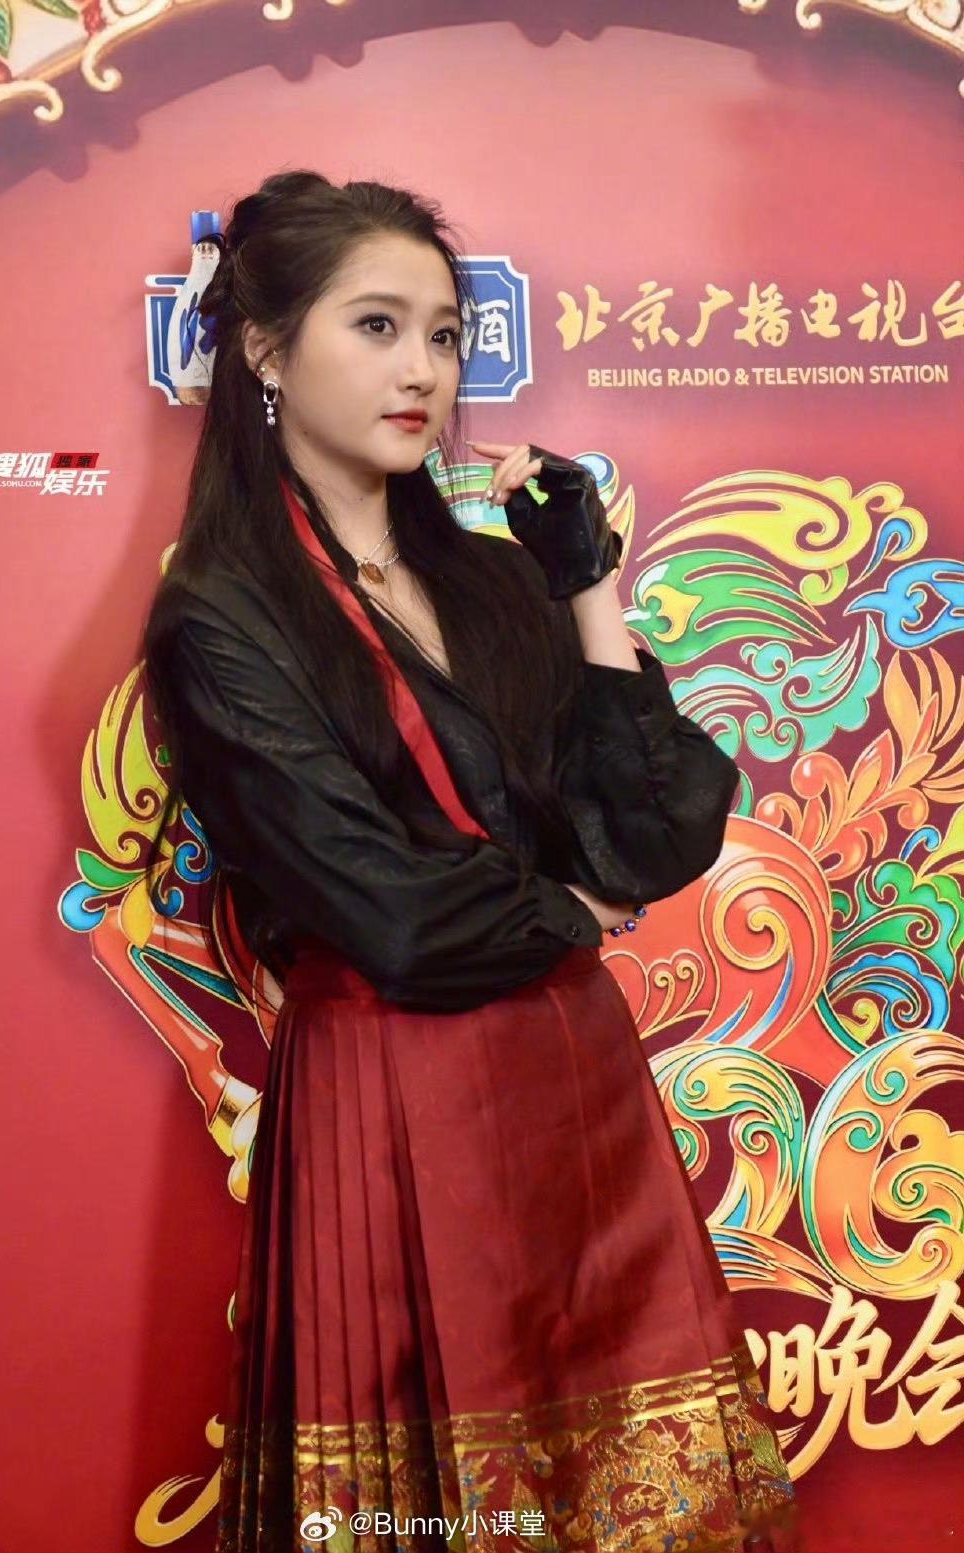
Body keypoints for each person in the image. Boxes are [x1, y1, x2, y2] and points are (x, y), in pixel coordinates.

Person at [139, 171, 803, 1553]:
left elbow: (650, 833)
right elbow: (387, 913)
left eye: (444, 336)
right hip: (395, 1089)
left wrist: (583, 586)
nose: (423, 371)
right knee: (436, 1502)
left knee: (635, 1507)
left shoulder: (493, 582)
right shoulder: (224, 613)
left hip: (577, 1084)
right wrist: (573, 906)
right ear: (265, 351)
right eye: (377, 326)